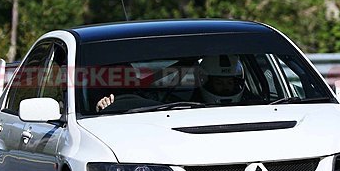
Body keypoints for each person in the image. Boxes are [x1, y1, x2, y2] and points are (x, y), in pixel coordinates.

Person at [95, 54, 249, 111]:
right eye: (219, 83)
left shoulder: (254, 104)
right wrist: (104, 107)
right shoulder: (178, 105)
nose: (225, 89)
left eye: (229, 83)